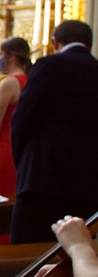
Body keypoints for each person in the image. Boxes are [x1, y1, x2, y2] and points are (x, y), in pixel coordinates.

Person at [10, 20, 98, 244]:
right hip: (89, 185)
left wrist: (23, 165)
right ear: (89, 43)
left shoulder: (48, 65)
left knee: (28, 255)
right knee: (75, 255)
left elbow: (22, 120)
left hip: (42, 180)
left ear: (55, 41)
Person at [0, 37, 30, 213]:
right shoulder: (30, 80)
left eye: (1, 54)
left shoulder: (10, 82)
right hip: (20, 149)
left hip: (3, 148)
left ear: (12, 57)